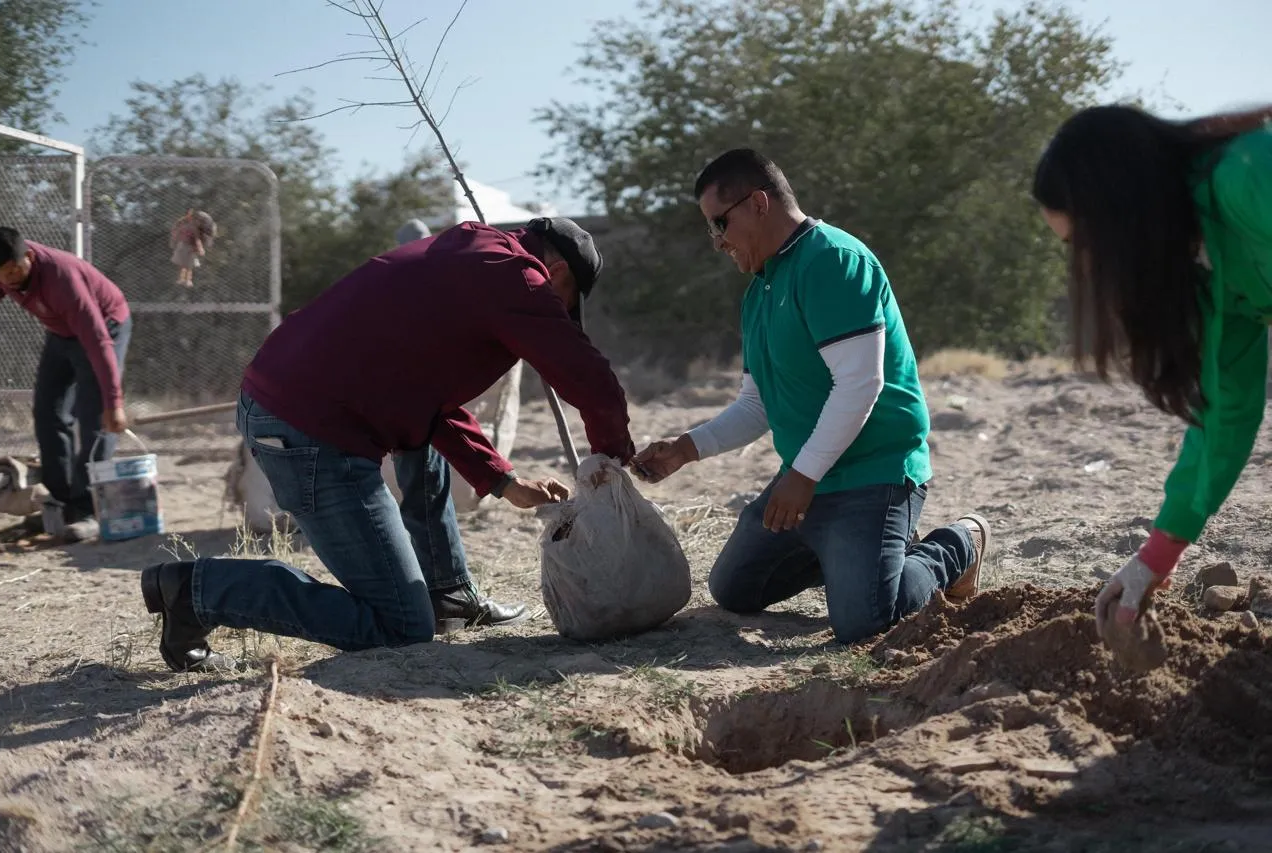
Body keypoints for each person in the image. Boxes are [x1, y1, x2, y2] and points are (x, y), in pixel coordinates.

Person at [140, 216, 637, 671]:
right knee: (400, 627)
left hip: (297, 407)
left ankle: (447, 592)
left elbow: (430, 403)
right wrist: (611, 461)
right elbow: (589, 379)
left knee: (420, 445)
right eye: (567, 300)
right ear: (555, 272)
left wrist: (503, 482)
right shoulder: (514, 275)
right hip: (309, 432)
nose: (561, 312)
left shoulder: (472, 253)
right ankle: (193, 590)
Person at [632, 149, 990, 644]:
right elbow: (757, 404)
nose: (716, 242)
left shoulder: (834, 261)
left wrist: (802, 476)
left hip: (874, 475)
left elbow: (861, 385)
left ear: (758, 203)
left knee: (865, 622)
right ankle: (860, 560)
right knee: (734, 588)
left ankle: (955, 545)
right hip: (807, 481)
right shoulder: (759, 291)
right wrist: (686, 449)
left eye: (719, 223)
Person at [1031, 104, 1272, 639]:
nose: (1088, 268)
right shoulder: (1212, 270)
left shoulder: (1250, 174)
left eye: (1085, 245)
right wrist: (1156, 556)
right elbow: (1223, 409)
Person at [0, 227, 132, 542]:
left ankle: (89, 510)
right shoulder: (1, 274)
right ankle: (58, 503)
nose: (10, 280)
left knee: (95, 419)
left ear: (28, 256)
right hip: (60, 333)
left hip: (105, 327)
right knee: (47, 411)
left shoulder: (61, 280)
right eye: (2, 276)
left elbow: (98, 342)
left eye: (15, 271)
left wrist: (115, 403)